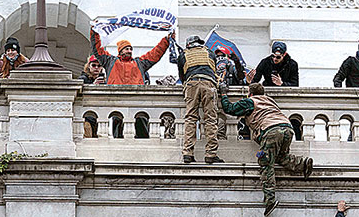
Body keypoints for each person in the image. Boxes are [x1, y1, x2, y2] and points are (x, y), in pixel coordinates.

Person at [220, 82, 313, 215]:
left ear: (250, 93)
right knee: (280, 157)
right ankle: (303, 164)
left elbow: (229, 108)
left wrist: (223, 93)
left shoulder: (250, 101)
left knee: (265, 162)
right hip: (287, 129)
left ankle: (270, 199)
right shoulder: (270, 101)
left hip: (271, 131)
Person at [176, 35, 222, 164]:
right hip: (209, 84)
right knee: (211, 119)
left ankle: (187, 153)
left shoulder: (183, 55)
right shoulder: (209, 52)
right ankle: (211, 154)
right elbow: (213, 70)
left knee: (190, 118)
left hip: (191, 84)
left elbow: (182, 76)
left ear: (188, 45)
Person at [93, 34, 172, 86]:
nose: (129, 51)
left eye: (131, 49)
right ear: (120, 51)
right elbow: (98, 50)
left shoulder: (139, 63)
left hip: (136, 99)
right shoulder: (110, 61)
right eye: (127, 49)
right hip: (114, 98)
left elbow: (155, 54)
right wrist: (95, 33)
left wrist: (166, 40)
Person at [214, 45, 246, 140]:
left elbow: (240, 76)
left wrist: (237, 62)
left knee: (227, 131)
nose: (220, 58)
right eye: (217, 56)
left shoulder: (231, 67)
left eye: (222, 55)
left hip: (229, 102)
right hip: (215, 102)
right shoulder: (212, 69)